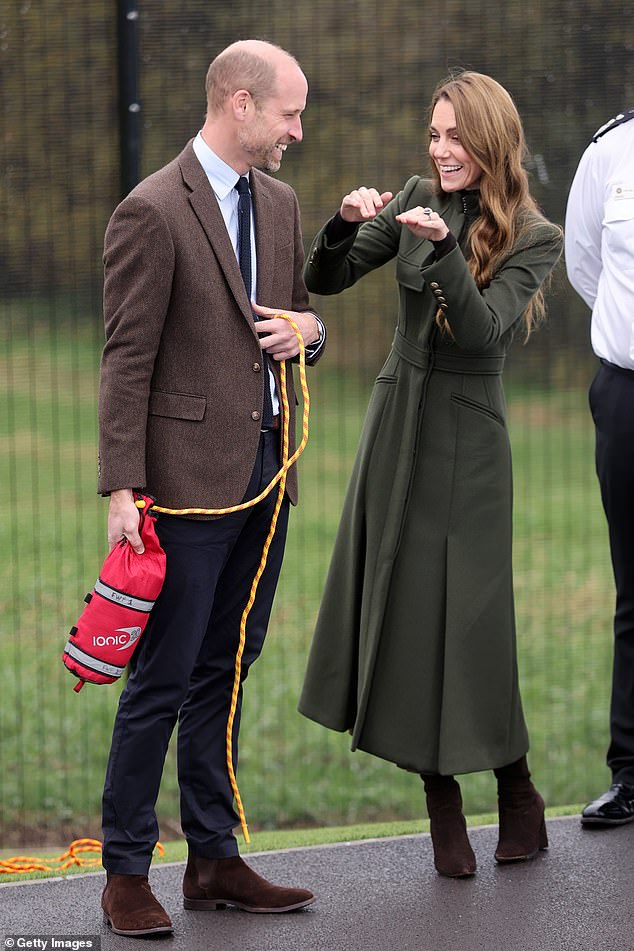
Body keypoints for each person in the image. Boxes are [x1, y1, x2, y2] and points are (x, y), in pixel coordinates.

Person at [298, 71, 563, 878]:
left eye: (456, 138)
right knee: (406, 611)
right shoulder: (413, 194)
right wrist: (344, 225)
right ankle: (439, 799)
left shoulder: (533, 234)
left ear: (490, 143)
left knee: (473, 624)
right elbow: (328, 278)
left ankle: (516, 785)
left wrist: (446, 249)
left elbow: (482, 336)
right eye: (435, 135)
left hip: (470, 444)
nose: (441, 151)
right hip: (398, 418)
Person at [97, 39, 325, 936]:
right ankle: (124, 871)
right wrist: (124, 487)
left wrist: (307, 329)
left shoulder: (280, 203)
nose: (297, 131)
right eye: (288, 112)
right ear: (239, 103)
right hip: (182, 491)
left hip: (267, 480)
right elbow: (126, 361)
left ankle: (215, 860)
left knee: (226, 670)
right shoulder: (151, 211)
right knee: (161, 677)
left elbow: (303, 321)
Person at [565, 108, 634, 828]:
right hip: (628, 392)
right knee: (633, 589)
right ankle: (633, 771)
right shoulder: (612, 149)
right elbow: (587, 264)